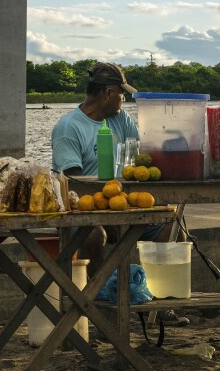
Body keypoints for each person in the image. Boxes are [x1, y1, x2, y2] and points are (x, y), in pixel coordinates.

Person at [51, 62, 187, 325]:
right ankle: (100, 308)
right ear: (107, 93)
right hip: (85, 209)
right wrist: (106, 205)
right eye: (121, 94)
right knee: (94, 234)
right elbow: (72, 183)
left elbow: (141, 157)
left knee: (169, 227)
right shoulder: (69, 127)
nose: (124, 100)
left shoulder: (119, 118)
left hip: (123, 205)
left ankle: (158, 307)